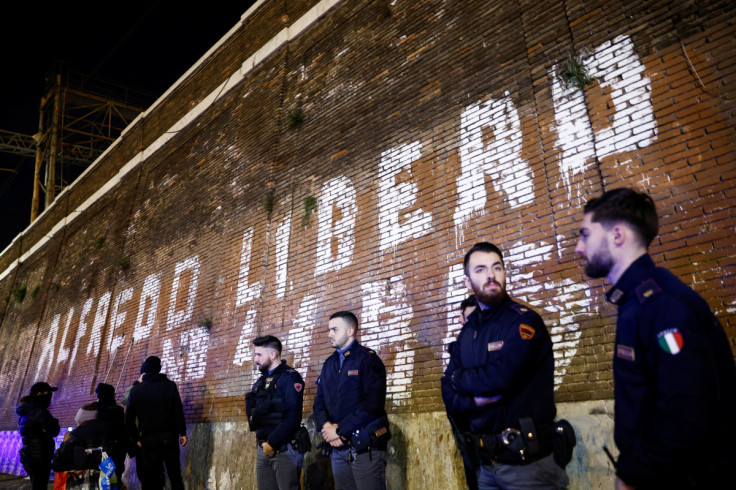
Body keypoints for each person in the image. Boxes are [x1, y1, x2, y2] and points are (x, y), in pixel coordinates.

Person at [575, 187, 736, 489]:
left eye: (585, 234)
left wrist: (632, 475)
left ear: (617, 235)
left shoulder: (662, 306)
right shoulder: (638, 301)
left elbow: (686, 412)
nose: (578, 248)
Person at [441, 242, 569, 489]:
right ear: (468, 282)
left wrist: (460, 380)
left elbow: (502, 378)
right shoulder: (467, 333)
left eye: (496, 267)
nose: (490, 275)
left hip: (527, 465)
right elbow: (447, 389)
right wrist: (471, 400)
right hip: (486, 466)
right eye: (480, 269)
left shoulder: (523, 322)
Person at [313, 311, 390, 490]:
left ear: (350, 331)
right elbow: (319, 403)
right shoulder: (329, 364)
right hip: (337, 448)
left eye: (334, 329)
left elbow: (373, 405)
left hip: (364, 449)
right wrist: (325, 427)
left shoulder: (368, 359)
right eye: (329, 329)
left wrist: (339, 430)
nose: (329, 334)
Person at [245, 335, 306, 490]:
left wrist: (271, 443)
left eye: (259, 355)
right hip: (263, 449)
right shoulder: (261, 382)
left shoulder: (290, 378)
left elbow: (293, 416)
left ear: (272, 355)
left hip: (284, 450)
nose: (255, 359)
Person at [125, 356, 187, 489]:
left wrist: (136, 438)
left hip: (148, 440)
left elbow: (128, 418)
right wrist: (182, 432)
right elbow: (178, 410)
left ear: (145, 371)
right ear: (159, 368)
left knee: (151, 477)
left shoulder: (136, 390)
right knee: (175, 475)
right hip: (169, 438)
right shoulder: (170, 386)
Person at [52, 383, 127, 483]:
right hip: (111, 463)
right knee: (112, 480)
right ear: (113, 395)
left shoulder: (79, 431)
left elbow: (57, 463)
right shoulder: (118, 415)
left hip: (84, 471)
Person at [447, 294, 479, 490]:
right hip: (469, 442)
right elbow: (449, 384)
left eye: (464, 316)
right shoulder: (460, 350)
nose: (459, 320)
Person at [17, 381, 61, 490]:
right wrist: (53, 424)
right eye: (47, 393)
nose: (50, 397)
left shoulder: (26, 410)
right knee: (40, 486)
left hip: (30, 456)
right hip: (39, 457)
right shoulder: (38, 410)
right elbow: (54, 430)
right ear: (39, 394)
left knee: (37, 485)